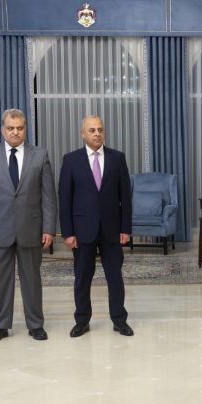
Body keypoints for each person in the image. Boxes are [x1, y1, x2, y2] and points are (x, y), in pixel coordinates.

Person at [0, 109, 57, 343]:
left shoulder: (40, 155)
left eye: (19, 128)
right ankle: (0, 325)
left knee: (32, 279)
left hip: (31, 228)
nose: (15, 132)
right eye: (10, 128)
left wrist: (49, 228)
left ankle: (35, 324)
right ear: (3, 130)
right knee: (0, 280)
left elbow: (49, 196)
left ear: (25, 130)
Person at [58, 115, 134, 338]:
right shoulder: (71, 160)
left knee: (115, 278)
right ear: (83, 133)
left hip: (112, 229)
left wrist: (125, 228)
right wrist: (68, 232)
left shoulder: (117, 158)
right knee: (82, 278)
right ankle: (82, 321)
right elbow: (65, 199)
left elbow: (125, 197)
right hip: (82, 230)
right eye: (92, 130)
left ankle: (119, 320)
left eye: (100, 129)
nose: (97, 134)